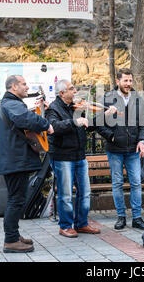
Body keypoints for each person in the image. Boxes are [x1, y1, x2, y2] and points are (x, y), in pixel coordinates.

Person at [0, 75, 54, 253]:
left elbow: (22, 119)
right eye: (24, 84)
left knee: (15, 199)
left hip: (13, 160)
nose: (27, 87)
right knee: (16, 200)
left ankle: (14, 235)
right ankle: (10, 240)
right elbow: (25, 119)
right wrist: (46, 124)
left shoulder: (7, 104)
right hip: (15, 160)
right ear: (13, 86)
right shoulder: (12, 104)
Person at [96, 69, 144, 231]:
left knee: (136, 183)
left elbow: (143, 124)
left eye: (130, 81)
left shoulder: (138, 99)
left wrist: (142, 140)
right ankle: (121, 217)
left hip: (133, 150)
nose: (128, 84)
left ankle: (137, 218)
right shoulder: (107, 98)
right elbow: (98, 123)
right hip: (114, 149)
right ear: (118, 81)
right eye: (125, 80)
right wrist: (111, 136)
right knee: (117, 183)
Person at [45, 79, 101, 238]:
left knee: (85, 192)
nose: (75, 91)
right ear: (62, 93)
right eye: (71, 89)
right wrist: (75, 121)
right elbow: (54, 127)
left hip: (79, 156)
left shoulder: (76, 107)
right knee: (66, 194)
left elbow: (86, 126)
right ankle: (65, 226)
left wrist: (104, 115)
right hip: (63, 157)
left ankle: (82, 223)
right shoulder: (53, 109)